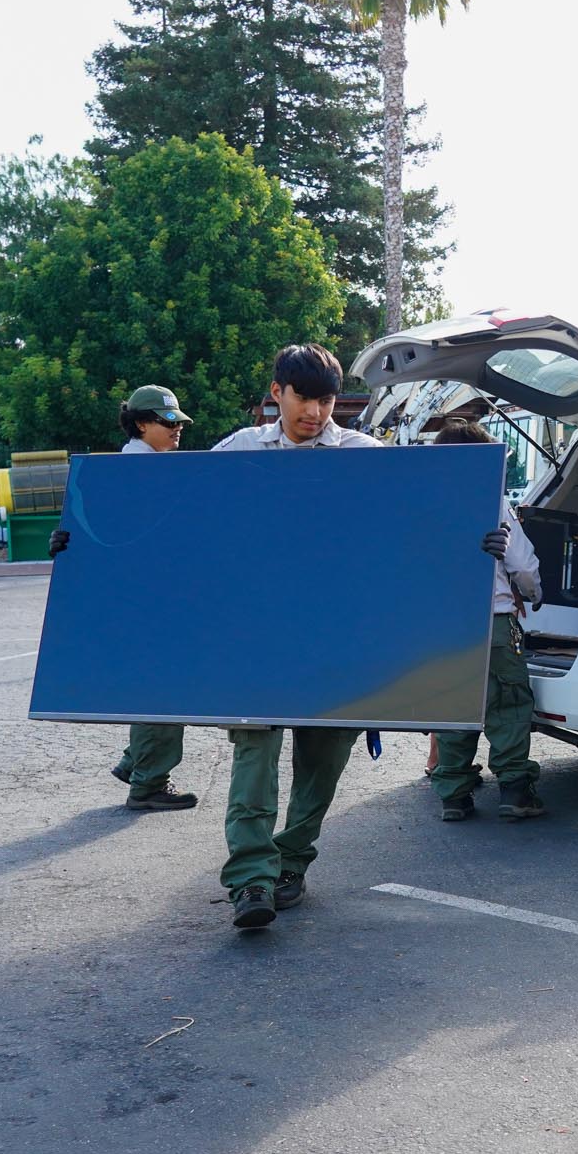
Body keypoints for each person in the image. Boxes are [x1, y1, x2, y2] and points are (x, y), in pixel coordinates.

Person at [209, 345, 508, 930]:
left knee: (322, 764)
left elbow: (411, 533)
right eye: (305, 399)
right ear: (277, 393)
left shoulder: (368, 456)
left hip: (342, 643)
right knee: (255, 755)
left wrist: (472, 545)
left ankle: (290, 863)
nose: (317, 413)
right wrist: (89, 546)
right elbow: (174, 524)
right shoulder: (236, 453)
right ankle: (250, 879)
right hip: (260, 641)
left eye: (326, 401)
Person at [54, 385, 199, 813]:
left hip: (149, 599)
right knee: (165, 688)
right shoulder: (137, 473)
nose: (177, 430)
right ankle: (149, 783)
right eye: (167, 422)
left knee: (159, 684)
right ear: (141, 424)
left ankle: (135, 761)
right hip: (148, 603)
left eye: (178, 422)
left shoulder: (142, 468)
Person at [428, 418, 547, 825]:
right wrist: (535, 595)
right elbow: (523, 566)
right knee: (508, 707)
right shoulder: (491, 504)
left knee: (454, 708)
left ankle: (454, 796)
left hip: (444, 628)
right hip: (495, 624)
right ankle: (515, 792)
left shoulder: (425, 506)